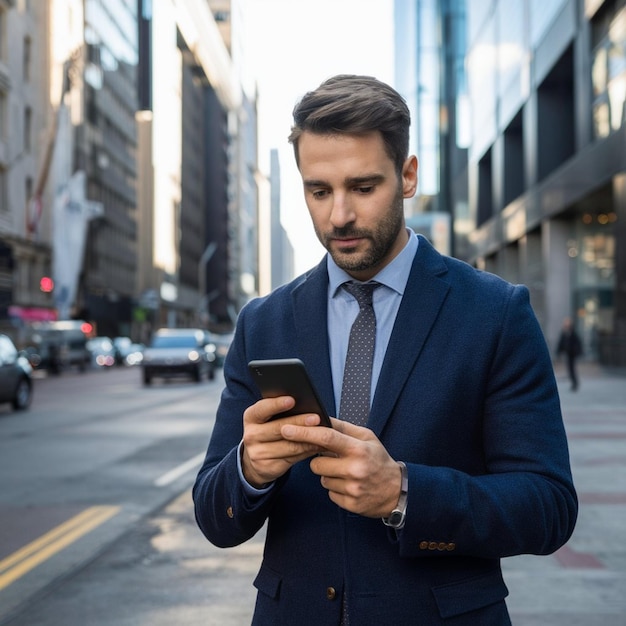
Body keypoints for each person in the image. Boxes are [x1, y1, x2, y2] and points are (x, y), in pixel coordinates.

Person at [193, 75, 577, 625]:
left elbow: (549, 507)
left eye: (363, 186)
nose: (339, 216)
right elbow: (215, 516)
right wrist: (250, 469)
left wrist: (404, 493)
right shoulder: (263, 322)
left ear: (408, 176)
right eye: (319, 191)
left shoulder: (494, 313)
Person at [557, 317, 583, 391]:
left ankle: (575, 383)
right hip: (568, 353)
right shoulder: (564, 333)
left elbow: (577, 343)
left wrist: (577, 351)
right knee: (570, 369)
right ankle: (574, 383)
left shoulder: (573, 332)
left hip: (572, 353)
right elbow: (561, 343)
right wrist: (559, 351)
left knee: (572, 369)